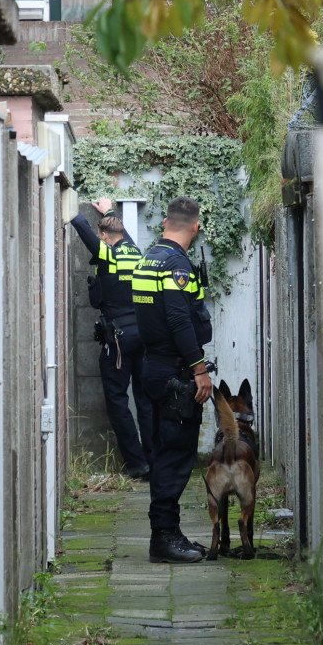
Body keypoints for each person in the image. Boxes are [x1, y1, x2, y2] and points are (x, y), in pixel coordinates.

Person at [131, 196, 212, 565]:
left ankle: (169, 533)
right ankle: (163, 538)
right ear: (195, 227)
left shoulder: (149, 258)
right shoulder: (176, 265)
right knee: (175, 455)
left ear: (165, 222)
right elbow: (179, 319)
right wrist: (199, 368)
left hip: (152, 366)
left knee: (163, 450)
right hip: (174, 373)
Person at [69, 197, 151, 480]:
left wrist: (70, 206)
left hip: (117, 339)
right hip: (143, 335)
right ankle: (153, 461)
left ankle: (137, 464)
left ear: (104, 236)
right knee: (145, 400)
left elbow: (83, 229)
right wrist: (109, 212)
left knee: (117, 399)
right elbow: (122, 235)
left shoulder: (108, 254)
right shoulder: (136, 252)